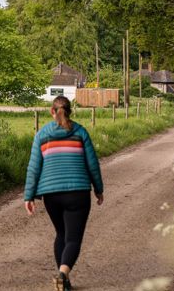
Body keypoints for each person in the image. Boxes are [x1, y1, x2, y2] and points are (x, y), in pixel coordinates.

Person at [24, 95, 104, 291]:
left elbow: (34, 168)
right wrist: (98, 189)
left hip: (51, 194)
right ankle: (62, 274)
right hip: (78, 192)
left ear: (52, 111)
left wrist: (28, 196)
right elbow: (92, 164)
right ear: (70, 111)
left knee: (61, 234)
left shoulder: (42, 134)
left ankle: (64, 281)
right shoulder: (80, 132)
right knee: (73, 238)